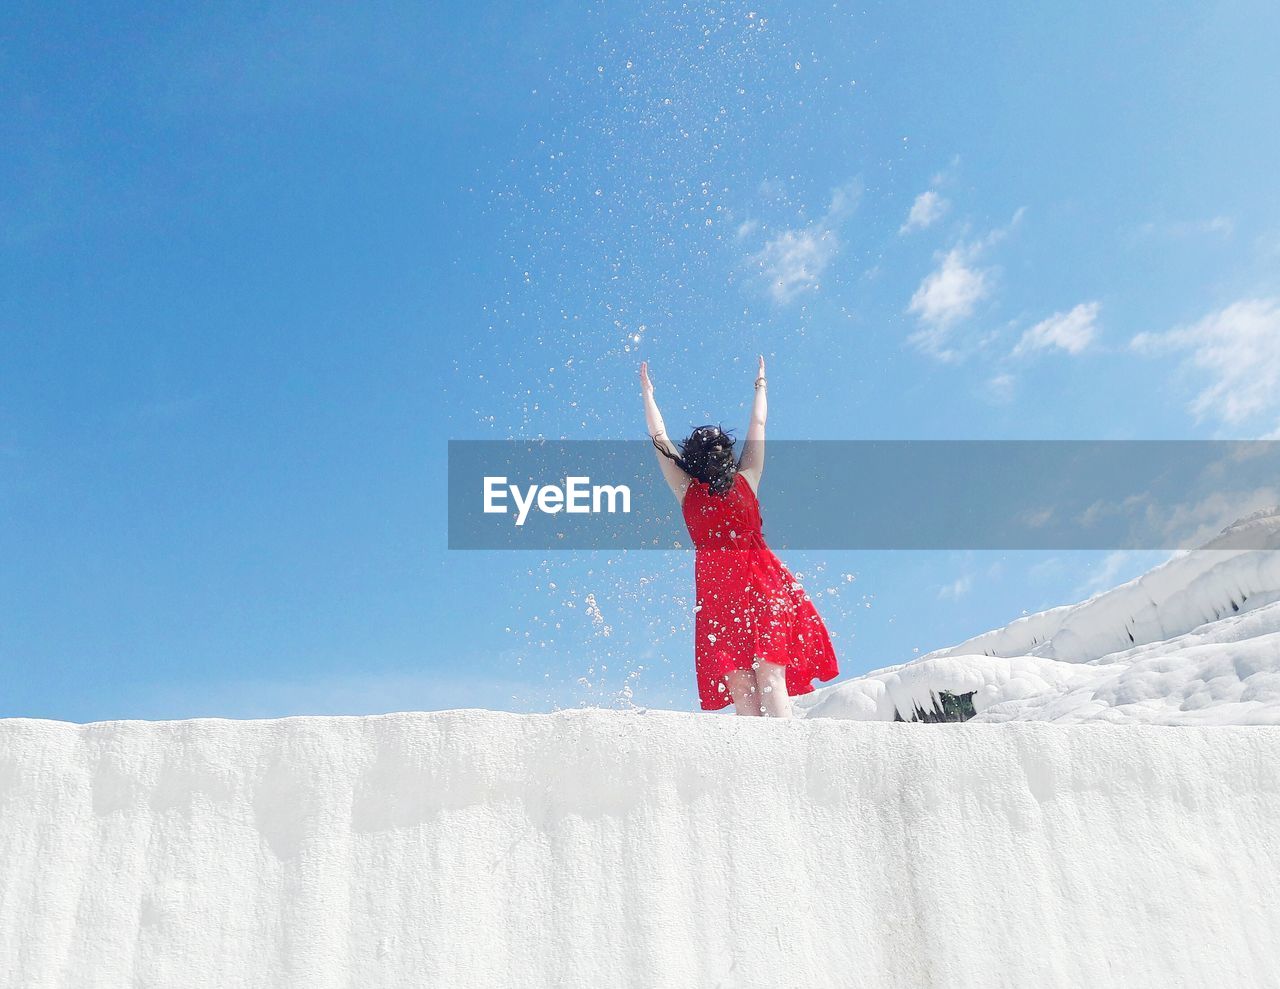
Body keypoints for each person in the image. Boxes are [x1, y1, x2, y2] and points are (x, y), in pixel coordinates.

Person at [639, 356, 839, 716]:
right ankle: (785, 757)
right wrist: (761, 386)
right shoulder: (747, 477)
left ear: (692, 460)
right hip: (761, 581)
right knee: (769, 676)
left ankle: (759, 764)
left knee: (743, 685)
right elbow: (758, 422)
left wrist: (648, 395)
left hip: (719, 593)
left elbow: (659, 440)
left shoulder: (687, 490)